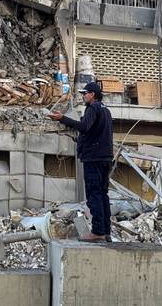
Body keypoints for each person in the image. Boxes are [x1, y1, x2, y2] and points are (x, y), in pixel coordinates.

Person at [48, 81, 113, 242]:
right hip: (105, 158)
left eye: (85, 93)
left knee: (94, 194)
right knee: (103, 194)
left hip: (94, 158)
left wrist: (62, 118)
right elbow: (94, 133)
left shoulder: (92, 108)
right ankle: (106, 231)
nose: (83, 96)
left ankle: (97, 231)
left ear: (92, 95)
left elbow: (84, 126)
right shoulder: (106, 111)